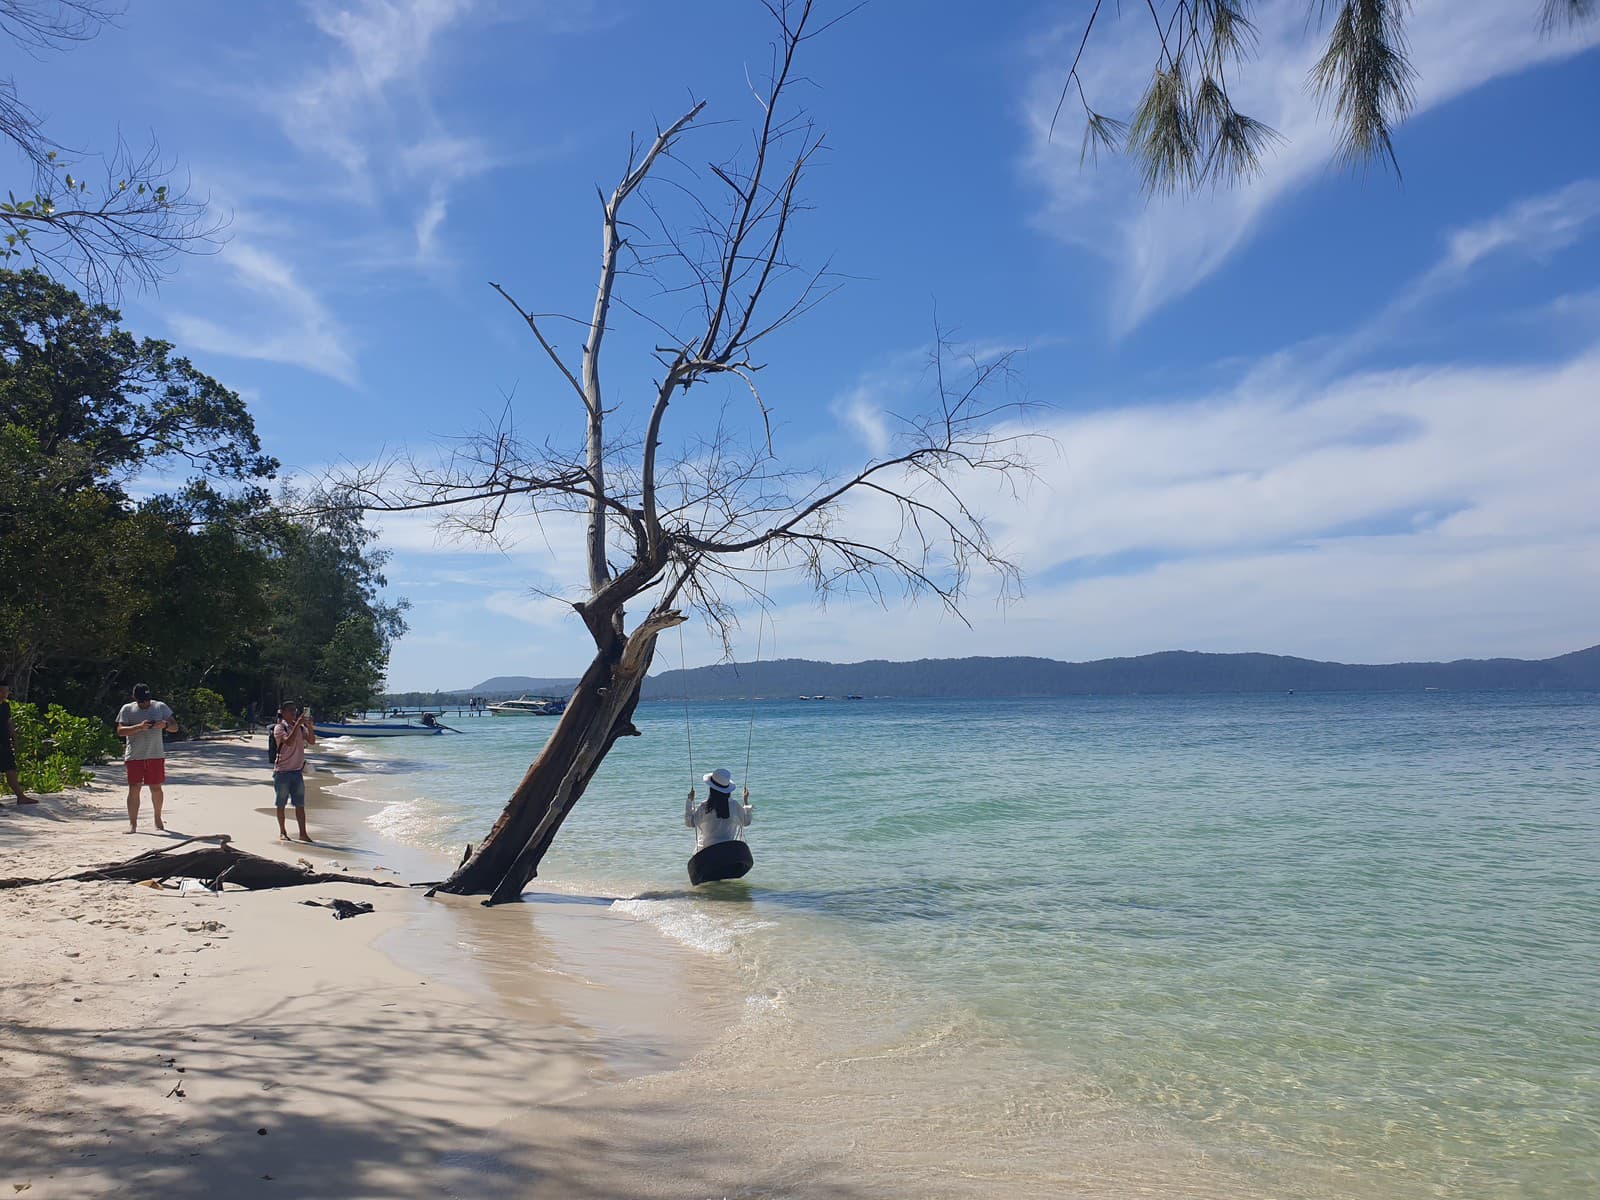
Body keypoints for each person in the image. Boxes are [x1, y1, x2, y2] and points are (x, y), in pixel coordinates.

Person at [115, 683, 176, 833]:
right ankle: (133, 824)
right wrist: (139, 727)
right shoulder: (127, 709)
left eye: (147, 700)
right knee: (134, 787)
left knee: (156, 787)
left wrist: (165, 724)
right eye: (141, 700)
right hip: (134, 755)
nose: (145, 703)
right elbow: (120, 731)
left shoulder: (160, 707)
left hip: (155, 754)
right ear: (135, 698)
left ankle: (157, 818)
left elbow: (175, 727)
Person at [271, 700, 318, 843]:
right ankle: (283, 832)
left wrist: (309, 727)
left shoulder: (301, 727)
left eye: (295, 710)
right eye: (290, 710)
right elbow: (288, 742)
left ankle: (303, 833)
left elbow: (311, 741)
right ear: (283, 712)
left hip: (297, 772)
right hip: (282, 772)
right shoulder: (280, 728)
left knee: (300, 804)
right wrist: (297, 725)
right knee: (281, 804)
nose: (293, 713)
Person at [685, 767, 753, 852]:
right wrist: (745, 801)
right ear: (727, 790)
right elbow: (746, 822)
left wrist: (689, 801)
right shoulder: (734, 805)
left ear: (711, 788)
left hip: (706, 852)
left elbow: (690, 823)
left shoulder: (704, 806)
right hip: (727, 852)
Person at [0, 679, 37, 806]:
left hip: (4, 742)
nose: (4, 694)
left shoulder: (5, 705)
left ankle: (21, 797)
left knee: (11, 770)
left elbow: (8, 723)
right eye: (2, 691)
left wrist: (15, 739)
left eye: (6, 691)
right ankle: (20, 796)